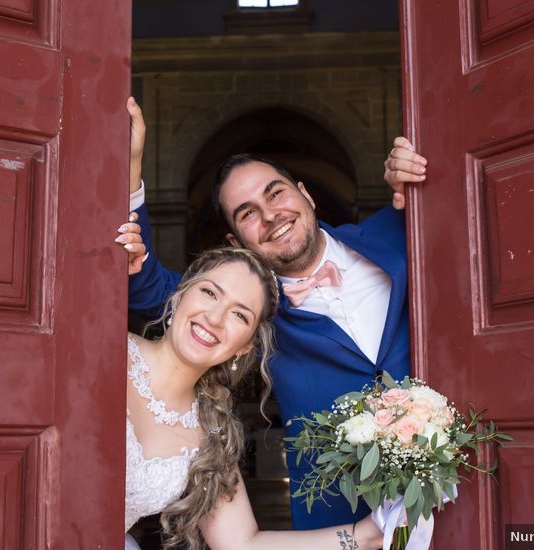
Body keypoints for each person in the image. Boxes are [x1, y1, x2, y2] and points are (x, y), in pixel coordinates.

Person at [116, 97, 429, 530]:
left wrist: (413, 166)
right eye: (248, 214)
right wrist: (131, 163)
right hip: (336, 521)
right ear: (237, 241)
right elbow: (144, 284)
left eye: (276, 193)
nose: (270, 216)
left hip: (452, 494)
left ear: (305, 194)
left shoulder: (401, 229)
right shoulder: (247, 314)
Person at [120, 245, 385, 549]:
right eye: (209, 293)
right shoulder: (107, 350)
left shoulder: (210, 436)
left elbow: (242, 544)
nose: (215, 317)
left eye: (239, 315)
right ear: (180, 294)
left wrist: (366, 535)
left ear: (245, 347)